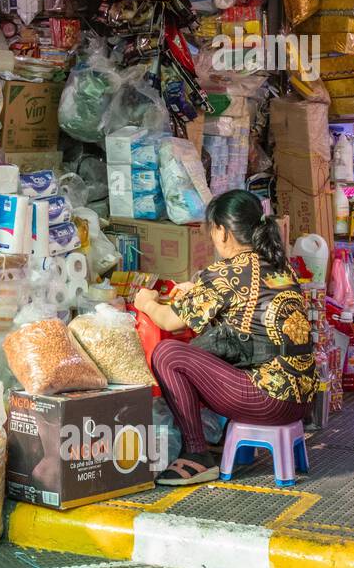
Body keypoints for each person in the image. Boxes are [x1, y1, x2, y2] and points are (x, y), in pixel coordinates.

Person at [133, 190, 317, 485]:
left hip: (267, 399)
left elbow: (170, 321)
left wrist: (146, 302)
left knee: (168, 354)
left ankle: (196, 455)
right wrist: (195, 288)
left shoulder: (225, 272)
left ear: (221, 231)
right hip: (302, 400)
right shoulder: (282, 269)